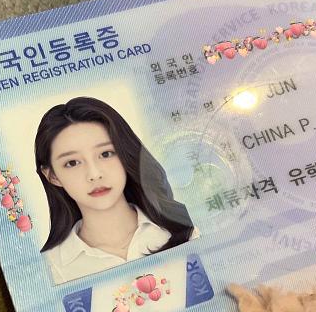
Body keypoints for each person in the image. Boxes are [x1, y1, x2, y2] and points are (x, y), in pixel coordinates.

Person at [35, 97, 197, 284]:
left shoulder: (186, 228)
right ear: (52, 176)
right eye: (72, 163)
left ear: (125, 153)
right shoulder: (51, 269)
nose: (94, 174)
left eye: (106, 154)